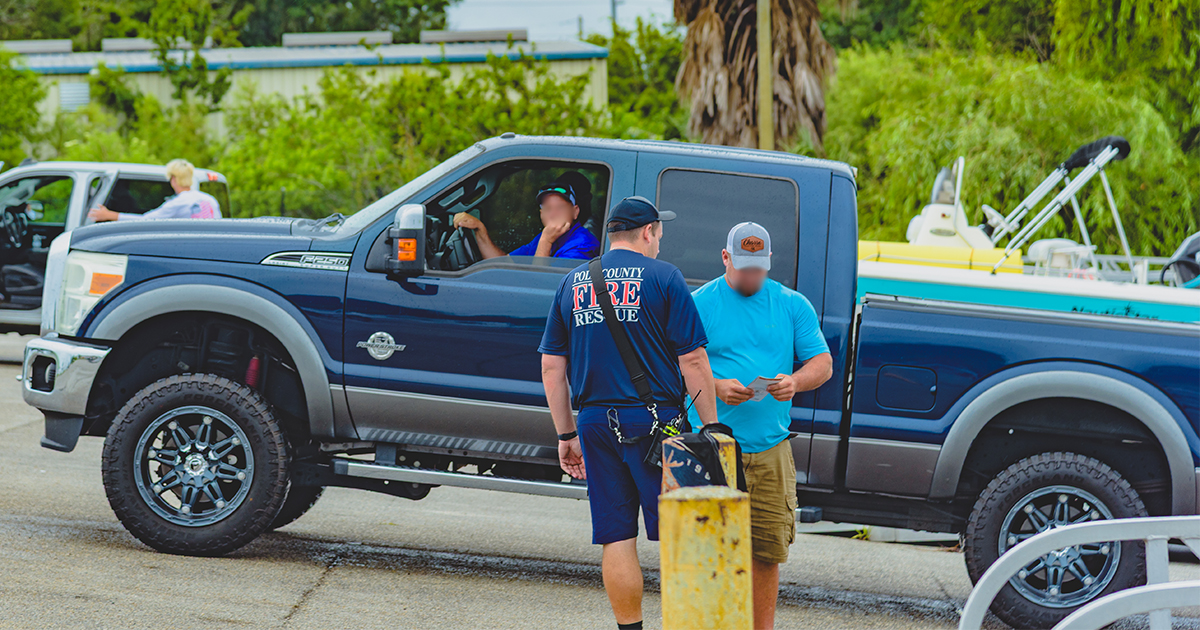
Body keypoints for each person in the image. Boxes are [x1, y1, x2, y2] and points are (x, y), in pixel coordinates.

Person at [539, 196, 719, 630]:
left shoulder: (574, 282)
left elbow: (551, 365)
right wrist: (712, 429)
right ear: (648, 232)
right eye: (659, 233)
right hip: (658, 426)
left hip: (595, 424)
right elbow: (692, 360)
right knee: (685, 536)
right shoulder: (665, 277)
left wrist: (566, 435)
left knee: (616, 535)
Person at [691, 222, 833, 630]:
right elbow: (673, 365)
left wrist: (796, 381)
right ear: (725, 258)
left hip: (770, 449)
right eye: (742, 267)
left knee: (766, 553)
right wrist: (716, 386)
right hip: (711, 448)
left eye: (758, 268)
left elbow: (821, 363)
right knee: (707, 552)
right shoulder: (699, 304)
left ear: (769, 262)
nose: (751, 276)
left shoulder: (792, 305)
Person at [452, 181, 599, 260]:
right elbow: (505, 263)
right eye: (547, 209)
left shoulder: (583, 245)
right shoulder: (544, 237)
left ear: (575, 211)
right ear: (541, 214)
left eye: (560, 207)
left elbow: (539, 285)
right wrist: (480, 229)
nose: (553, 214)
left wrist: (546, 242)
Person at [88, 159, 221, 222]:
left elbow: (147, 220)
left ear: (173, 179)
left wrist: (110, 215)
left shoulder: (178, 203)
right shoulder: (210, 200)